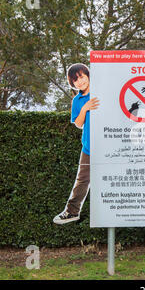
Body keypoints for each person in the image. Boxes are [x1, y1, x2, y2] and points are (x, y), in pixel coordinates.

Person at [53, 63, 100, 224]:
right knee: (82, 180)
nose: (79, 81)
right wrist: (85, 109)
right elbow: (78, 124)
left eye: (81, 77)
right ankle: (72, 212)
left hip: (108, 145)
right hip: (88, 147)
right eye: (75, 80)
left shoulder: (101, 92)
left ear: (88, 75)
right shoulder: (77, 100)